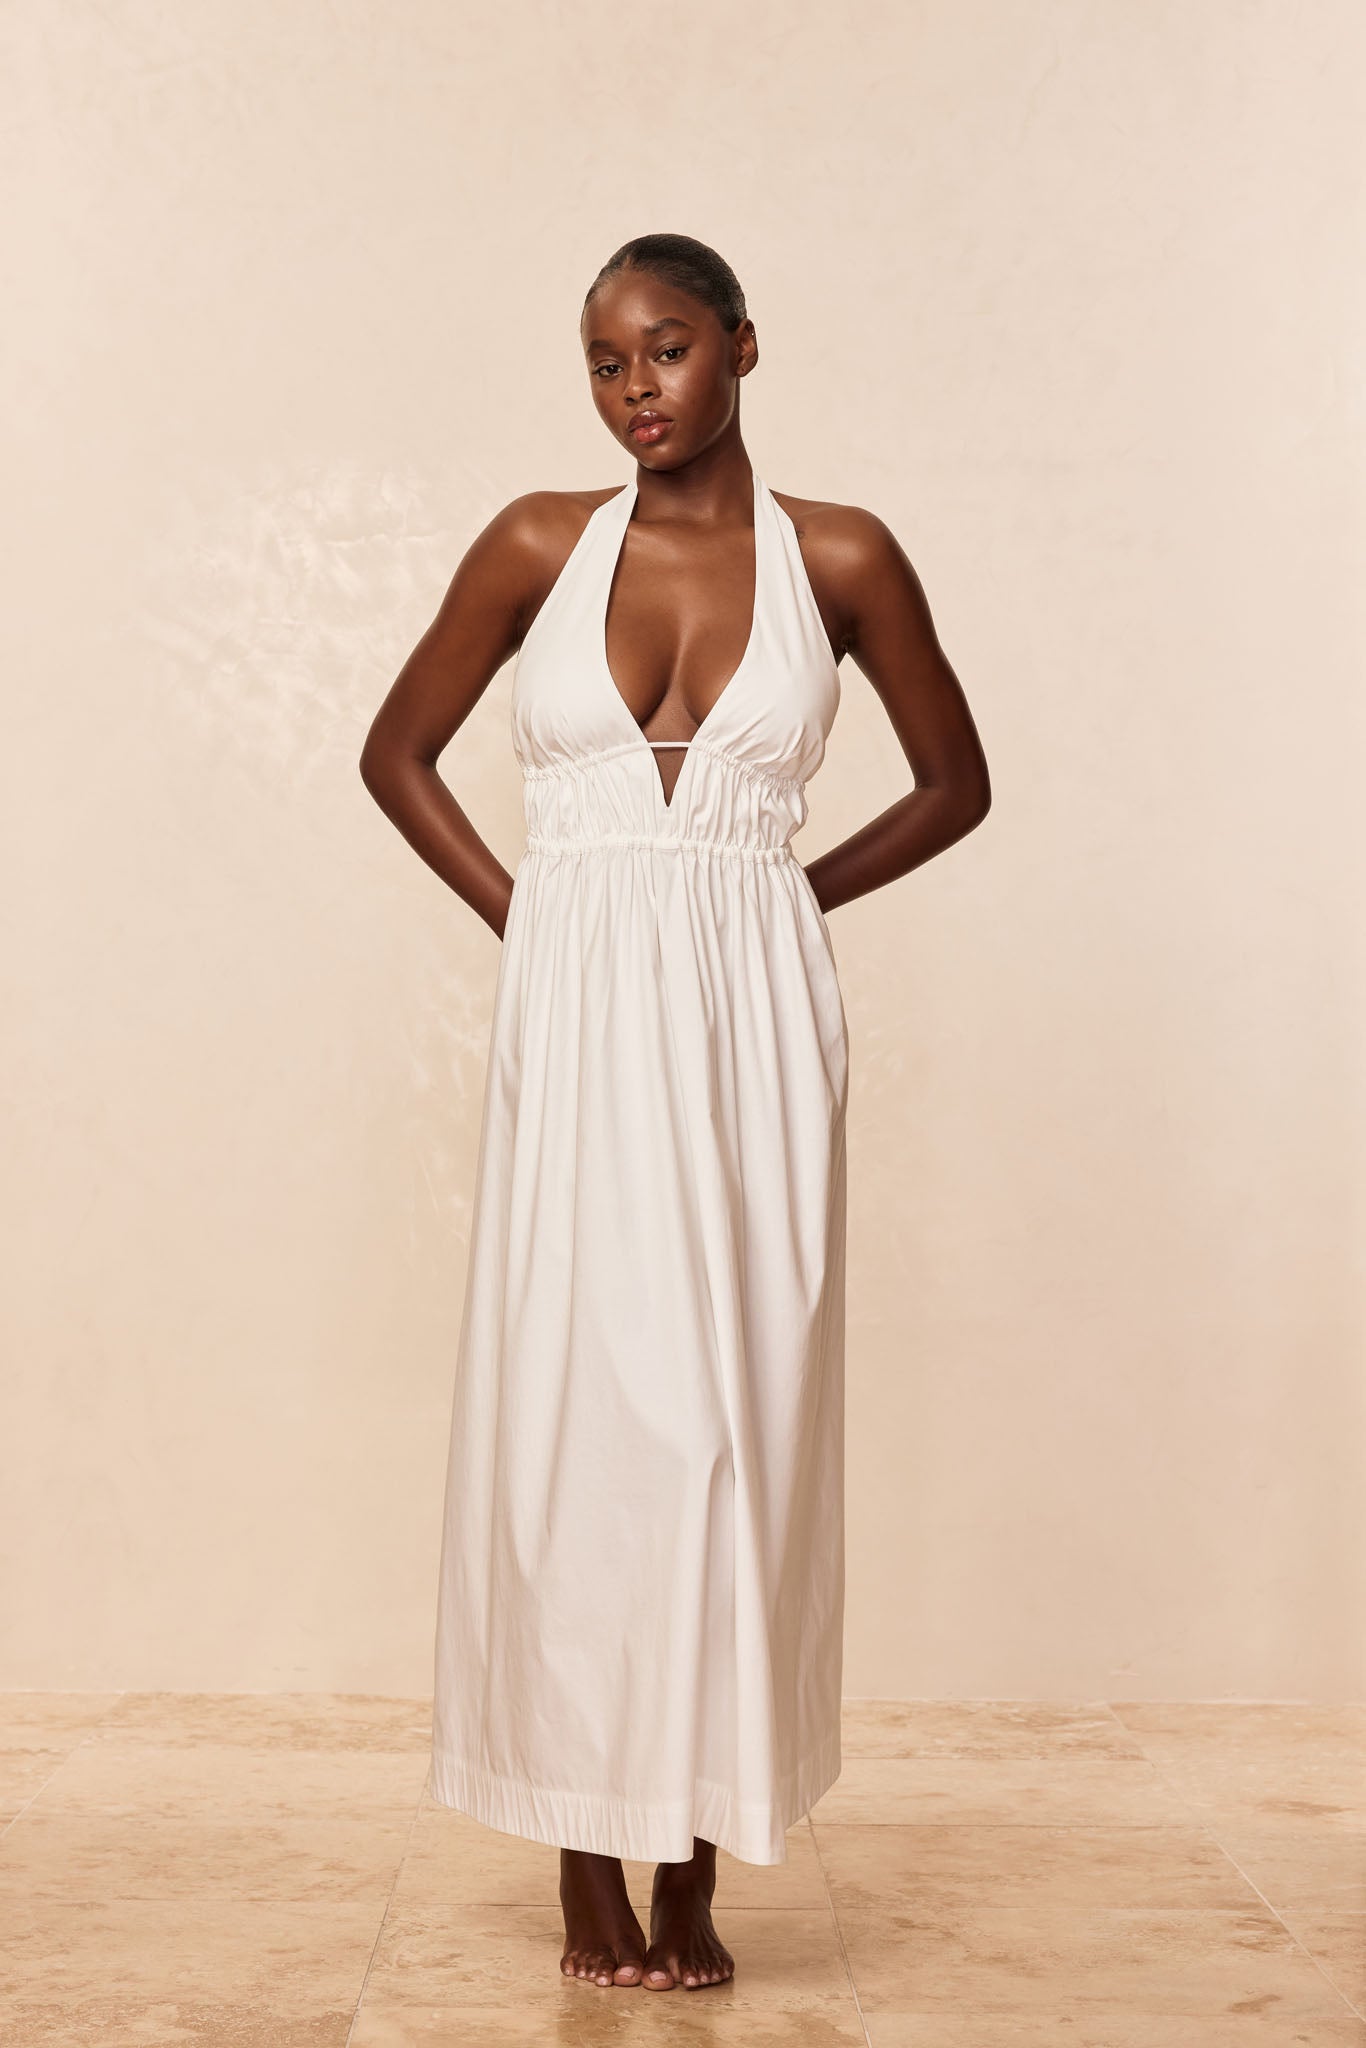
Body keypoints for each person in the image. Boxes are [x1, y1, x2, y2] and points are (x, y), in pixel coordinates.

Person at [359, 231, 991, 1994]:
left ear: (741, 348)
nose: (634, 387)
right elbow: (393, 752)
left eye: (666, 349)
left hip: (754, 1028)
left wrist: (783, 900)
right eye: (603, 361)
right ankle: (584, 1853)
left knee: (737, 1427)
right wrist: (536, 917)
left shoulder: (841, 557)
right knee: (575, 1424)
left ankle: (695, 1861)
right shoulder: (535, 543)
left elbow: (957, 784)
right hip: (576, 1020)